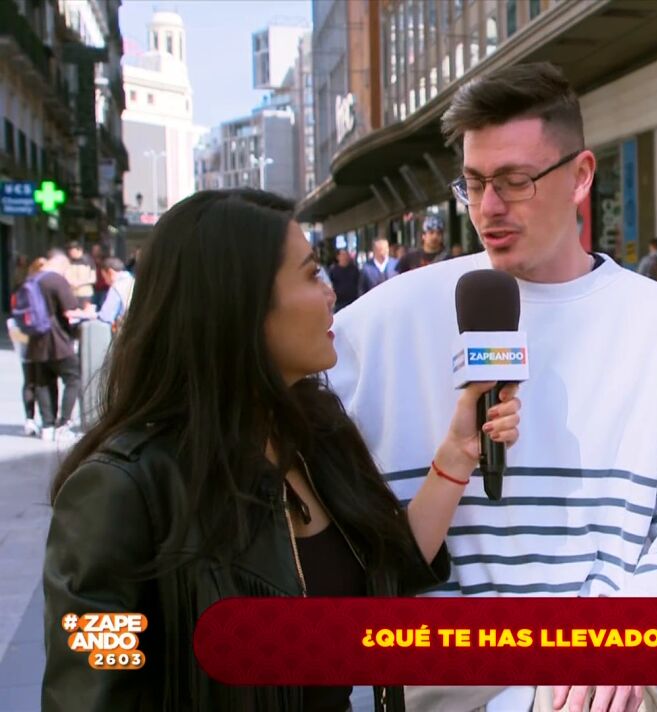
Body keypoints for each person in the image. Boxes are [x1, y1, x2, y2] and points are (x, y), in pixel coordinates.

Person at [329, 62, 657, 712]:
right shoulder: (378, 325)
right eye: (474, 184)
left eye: (515, 182)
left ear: (580, 176)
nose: (490, 207)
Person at [42, 188, 522, 711]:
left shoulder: (318, 436)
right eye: (312, 274)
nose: (331, 293)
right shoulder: (120, 491)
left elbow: (389, 569)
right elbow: (88, 694)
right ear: (242, 304)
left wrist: (457, 452)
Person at [27, 250, 82, 441]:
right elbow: (70, 310)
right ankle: (64, 423)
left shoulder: (31, 280)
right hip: (58, 341)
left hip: (36, 341)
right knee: (73, 378)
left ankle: (47, 426)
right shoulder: (57, 280)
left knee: (43, 383)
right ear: (61, 264)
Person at [7, 257, 48, 437]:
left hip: (22, 333)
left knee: (29, 378)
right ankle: (47, 422)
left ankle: (29, 420)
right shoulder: (42, 286)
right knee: (42, 379)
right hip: (40, 335)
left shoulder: (21, 286)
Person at [95, 258, 135, 327]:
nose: (105, 282)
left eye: (104, 277)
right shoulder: (133, 281)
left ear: (110, 272)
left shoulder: (116, 287)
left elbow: (106, 316)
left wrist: (86, 314)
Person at [64, 241, 97, 309]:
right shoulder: (68, 261)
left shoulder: (89, 261)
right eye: (70, 252)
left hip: (85, 293)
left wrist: (80, 283)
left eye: (73, 252)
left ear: (80, 250)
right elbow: (65, 275)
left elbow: (93, 278)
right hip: (71, 293)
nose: (72, 254)